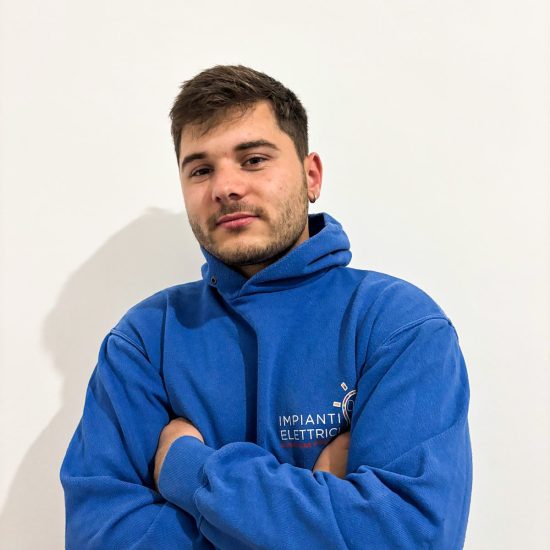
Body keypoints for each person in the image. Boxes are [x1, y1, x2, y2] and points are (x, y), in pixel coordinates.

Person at [60, 64, 473, 549]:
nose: (225, 187)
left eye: (253, 160)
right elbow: (100, 537)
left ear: (311, 175)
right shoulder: (146, 341)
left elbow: (409, 536)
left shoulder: (398, 325)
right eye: (201, 170)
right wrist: (315, 514)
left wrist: (187, 469)